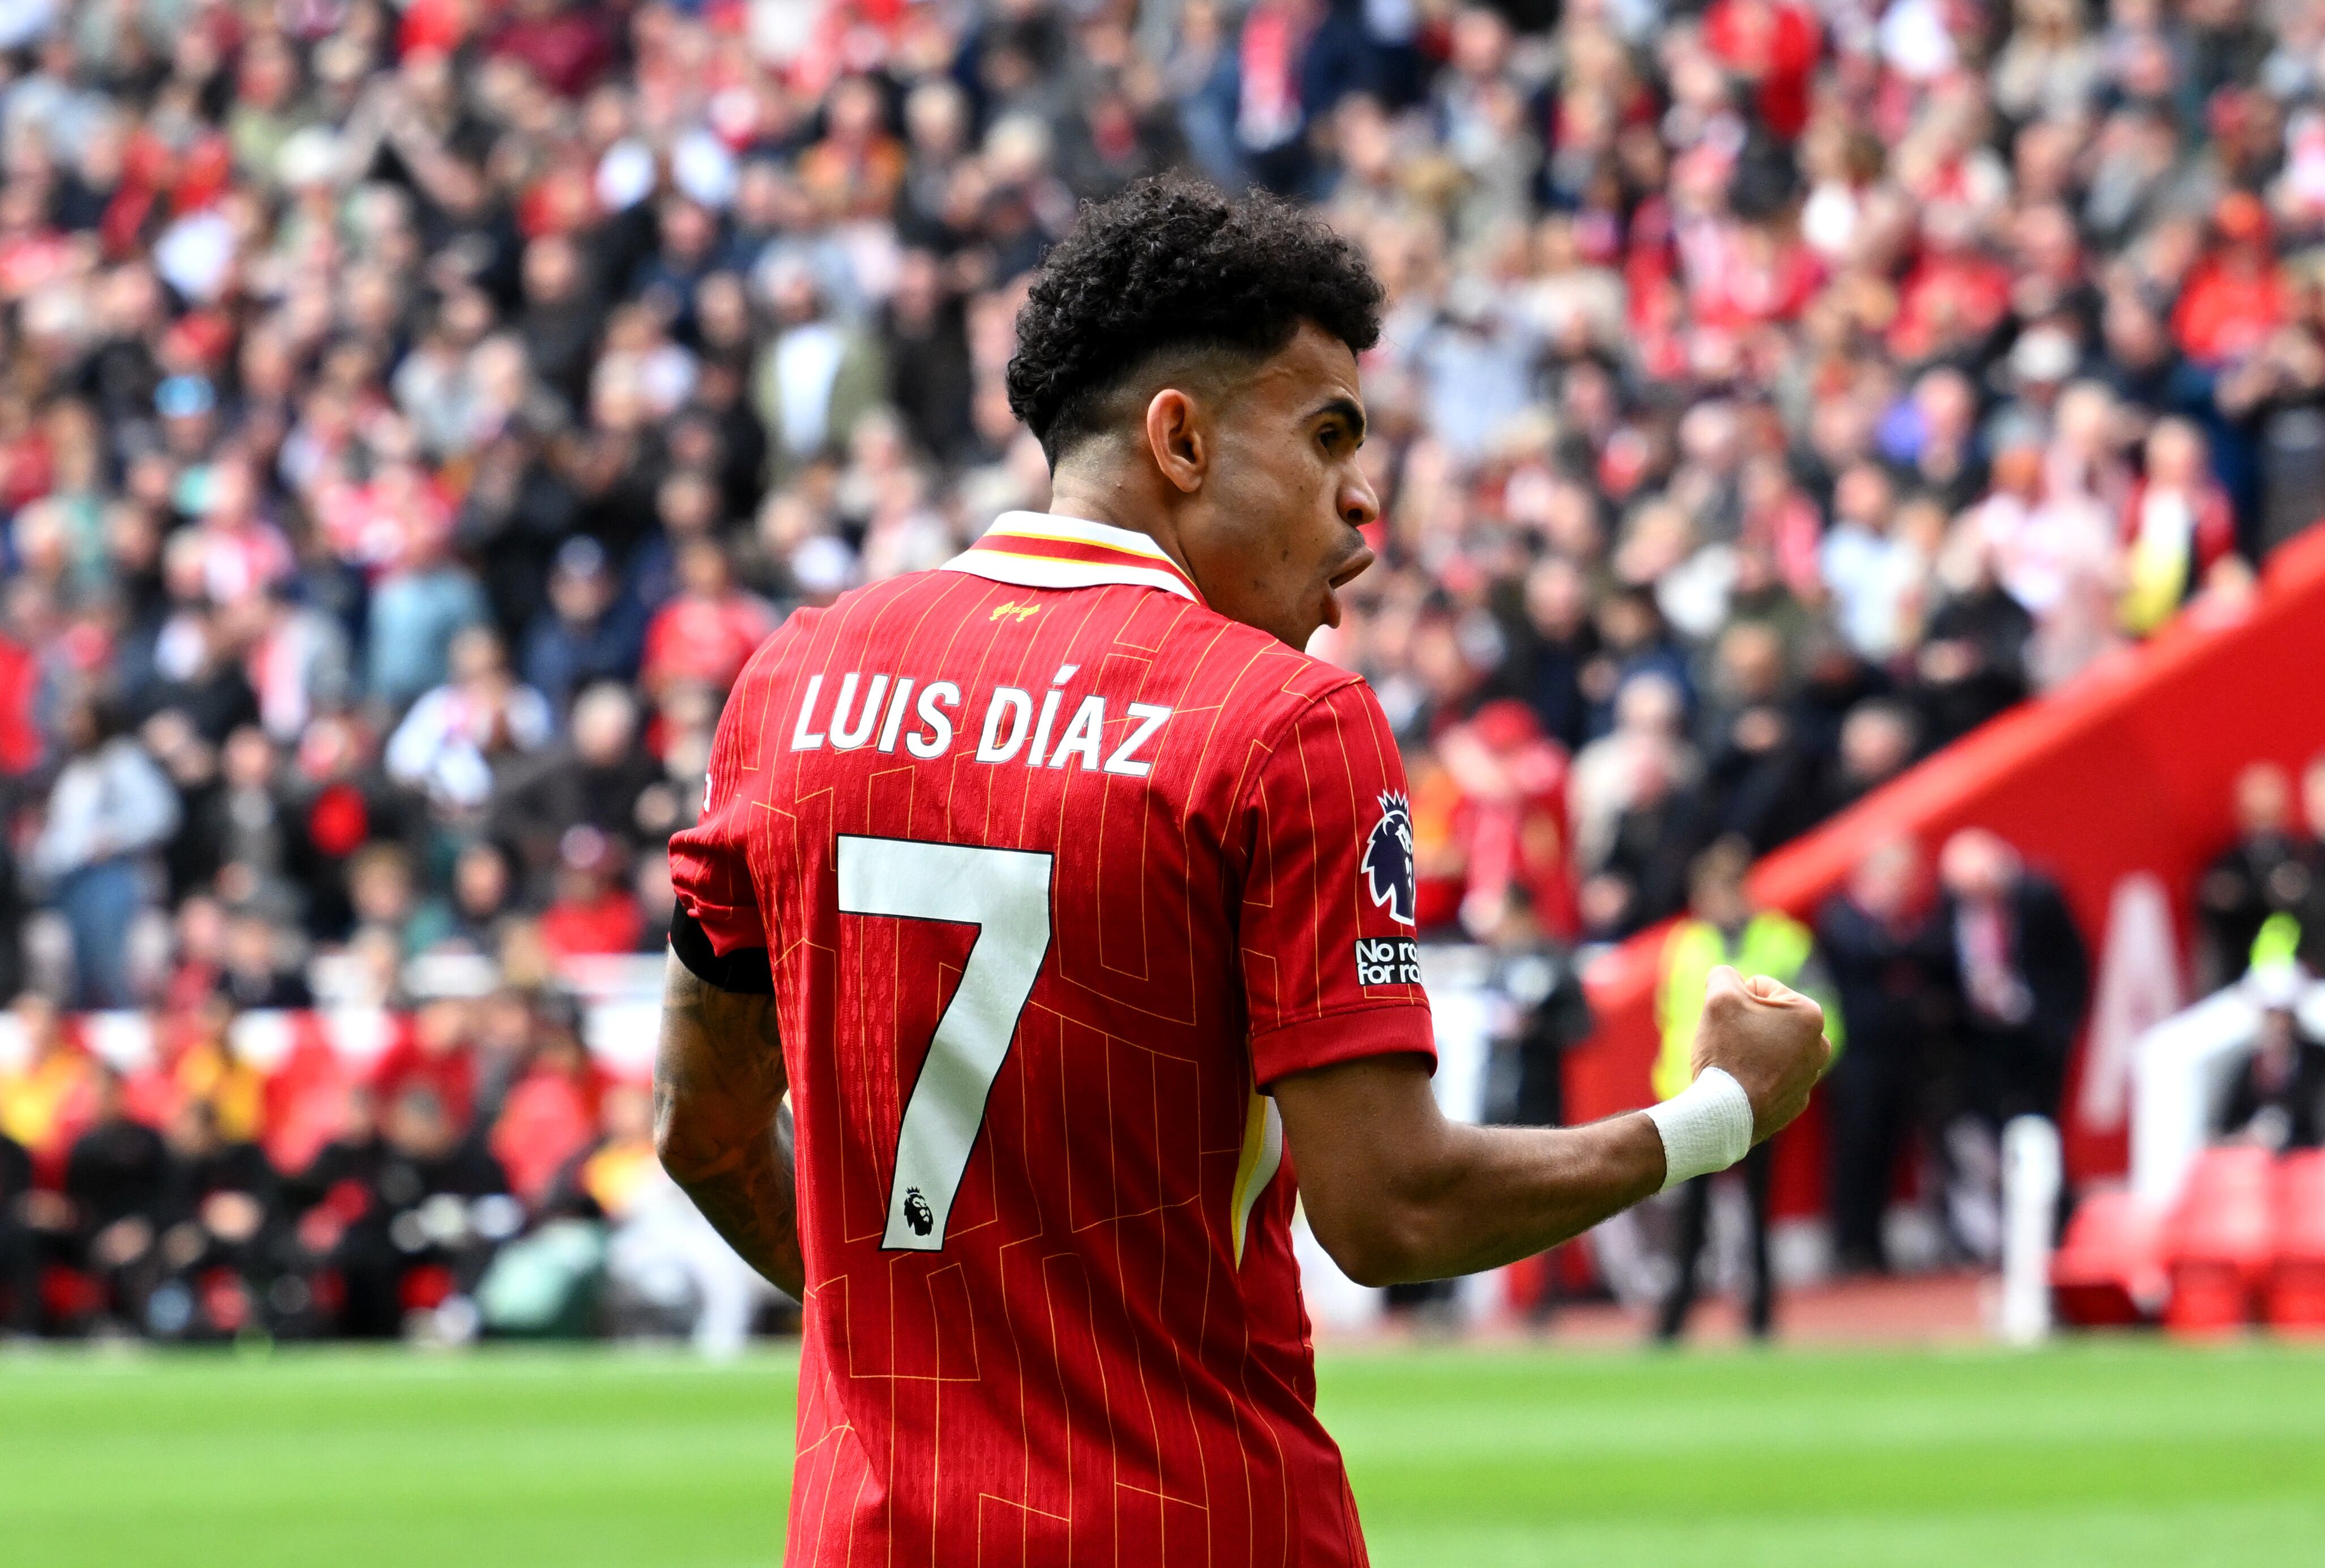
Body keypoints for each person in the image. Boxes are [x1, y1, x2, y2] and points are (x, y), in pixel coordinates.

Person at [655, 178, 1831, 1566]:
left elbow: (700, 1127)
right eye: (1327, 431)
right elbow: (1392, 1206)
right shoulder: (1283, 720)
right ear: (1181, 439)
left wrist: (909, 1330)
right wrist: (1714, 1114)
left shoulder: (796, 677)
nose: (1366, 495)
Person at [1650, 837, 1840, 1342]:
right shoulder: (1686, 942)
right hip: (1691, 1096)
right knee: (1690, 1221)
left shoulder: (1784, 941)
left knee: (1758, 1215)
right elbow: (1671, 1018)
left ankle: (1760, 1319)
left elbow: (1823, 1016)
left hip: (1758, 1095)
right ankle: (1675, 1320)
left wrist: (1799, 1069)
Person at [1935, 828, 2091, 1262]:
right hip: (1983, 1041)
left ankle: (2060, 1231)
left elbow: (2075, 964)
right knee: (1994, 1136)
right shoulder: (1951, 907)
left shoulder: (2039, 897)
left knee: (2043, 1132)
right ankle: (2008, 1236)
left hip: (2037, 1036)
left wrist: (2060, 1026)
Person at [1816, 836, 1953, 1274]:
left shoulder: (1907, 923)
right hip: (1856, 1059)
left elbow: (1933, 955)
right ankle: (1850, 1246)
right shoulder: (1841, 917)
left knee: (1891, 1155)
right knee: (1856, 1155)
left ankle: (1874, 1246)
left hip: (1901, 1058)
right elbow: (1869, 957)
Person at [2216, 965, 2325, 1152]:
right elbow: (2226, 1124)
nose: (2277, 1024)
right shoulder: (2250, 1064)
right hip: (2259, 1165)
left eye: (2283, 1016)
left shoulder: (2317, 1061)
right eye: (2271, 1015)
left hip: (2307, 1158)